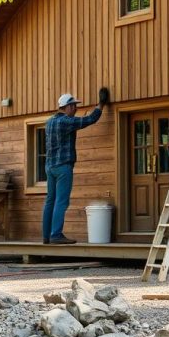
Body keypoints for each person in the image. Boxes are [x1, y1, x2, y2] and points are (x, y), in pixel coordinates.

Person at [43, 88, 109, 244]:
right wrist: (101, 104)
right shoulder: (66, 121)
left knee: (50, 200)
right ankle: (56, 234)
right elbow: (89, 120)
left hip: (49, 166)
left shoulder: (49, 122)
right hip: (63, 167)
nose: (76, 109)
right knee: (61, 201)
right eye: (74, 106)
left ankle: (46, 236)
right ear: (68, 106)